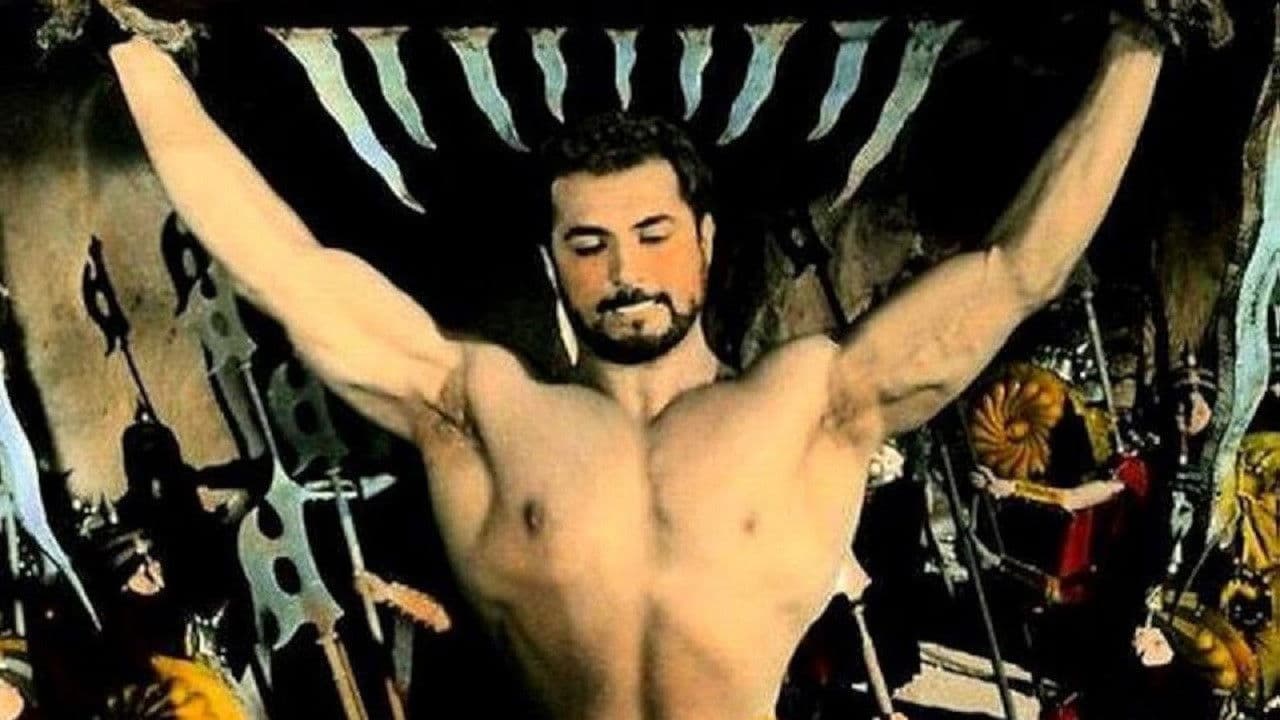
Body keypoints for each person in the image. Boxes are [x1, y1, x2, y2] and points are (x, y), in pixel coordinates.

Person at [108, 17, 1164, 720]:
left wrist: (1140, 44)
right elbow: (288, 271)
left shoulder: (812, 401)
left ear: (703, 243)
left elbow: (1015, 270)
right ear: (552, 266)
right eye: (590, 244)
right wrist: (138, 57)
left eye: (653, 234)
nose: (625, 272)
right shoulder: (480, 408)